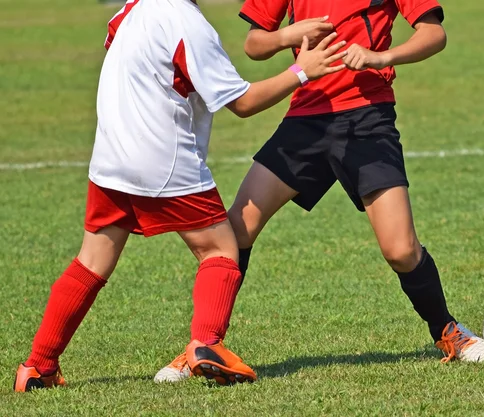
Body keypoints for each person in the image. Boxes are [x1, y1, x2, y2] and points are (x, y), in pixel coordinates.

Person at [13, 0, 347, 392]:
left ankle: (37, 367)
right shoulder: (186, 21)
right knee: (221, 249)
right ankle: (207, 345)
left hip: (109, 157)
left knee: (92, 260)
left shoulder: (133, 8)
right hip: (161, 157)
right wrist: (300, 72)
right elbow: (241, 102)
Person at [154, 0, 484, 383]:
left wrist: (382, 57)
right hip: (305, 120)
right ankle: (203, 343)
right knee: (236, 230)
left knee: (400, 250)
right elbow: (254, 44)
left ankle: (447, 331)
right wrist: (290, 36)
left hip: (367, 119)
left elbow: (434, 33)